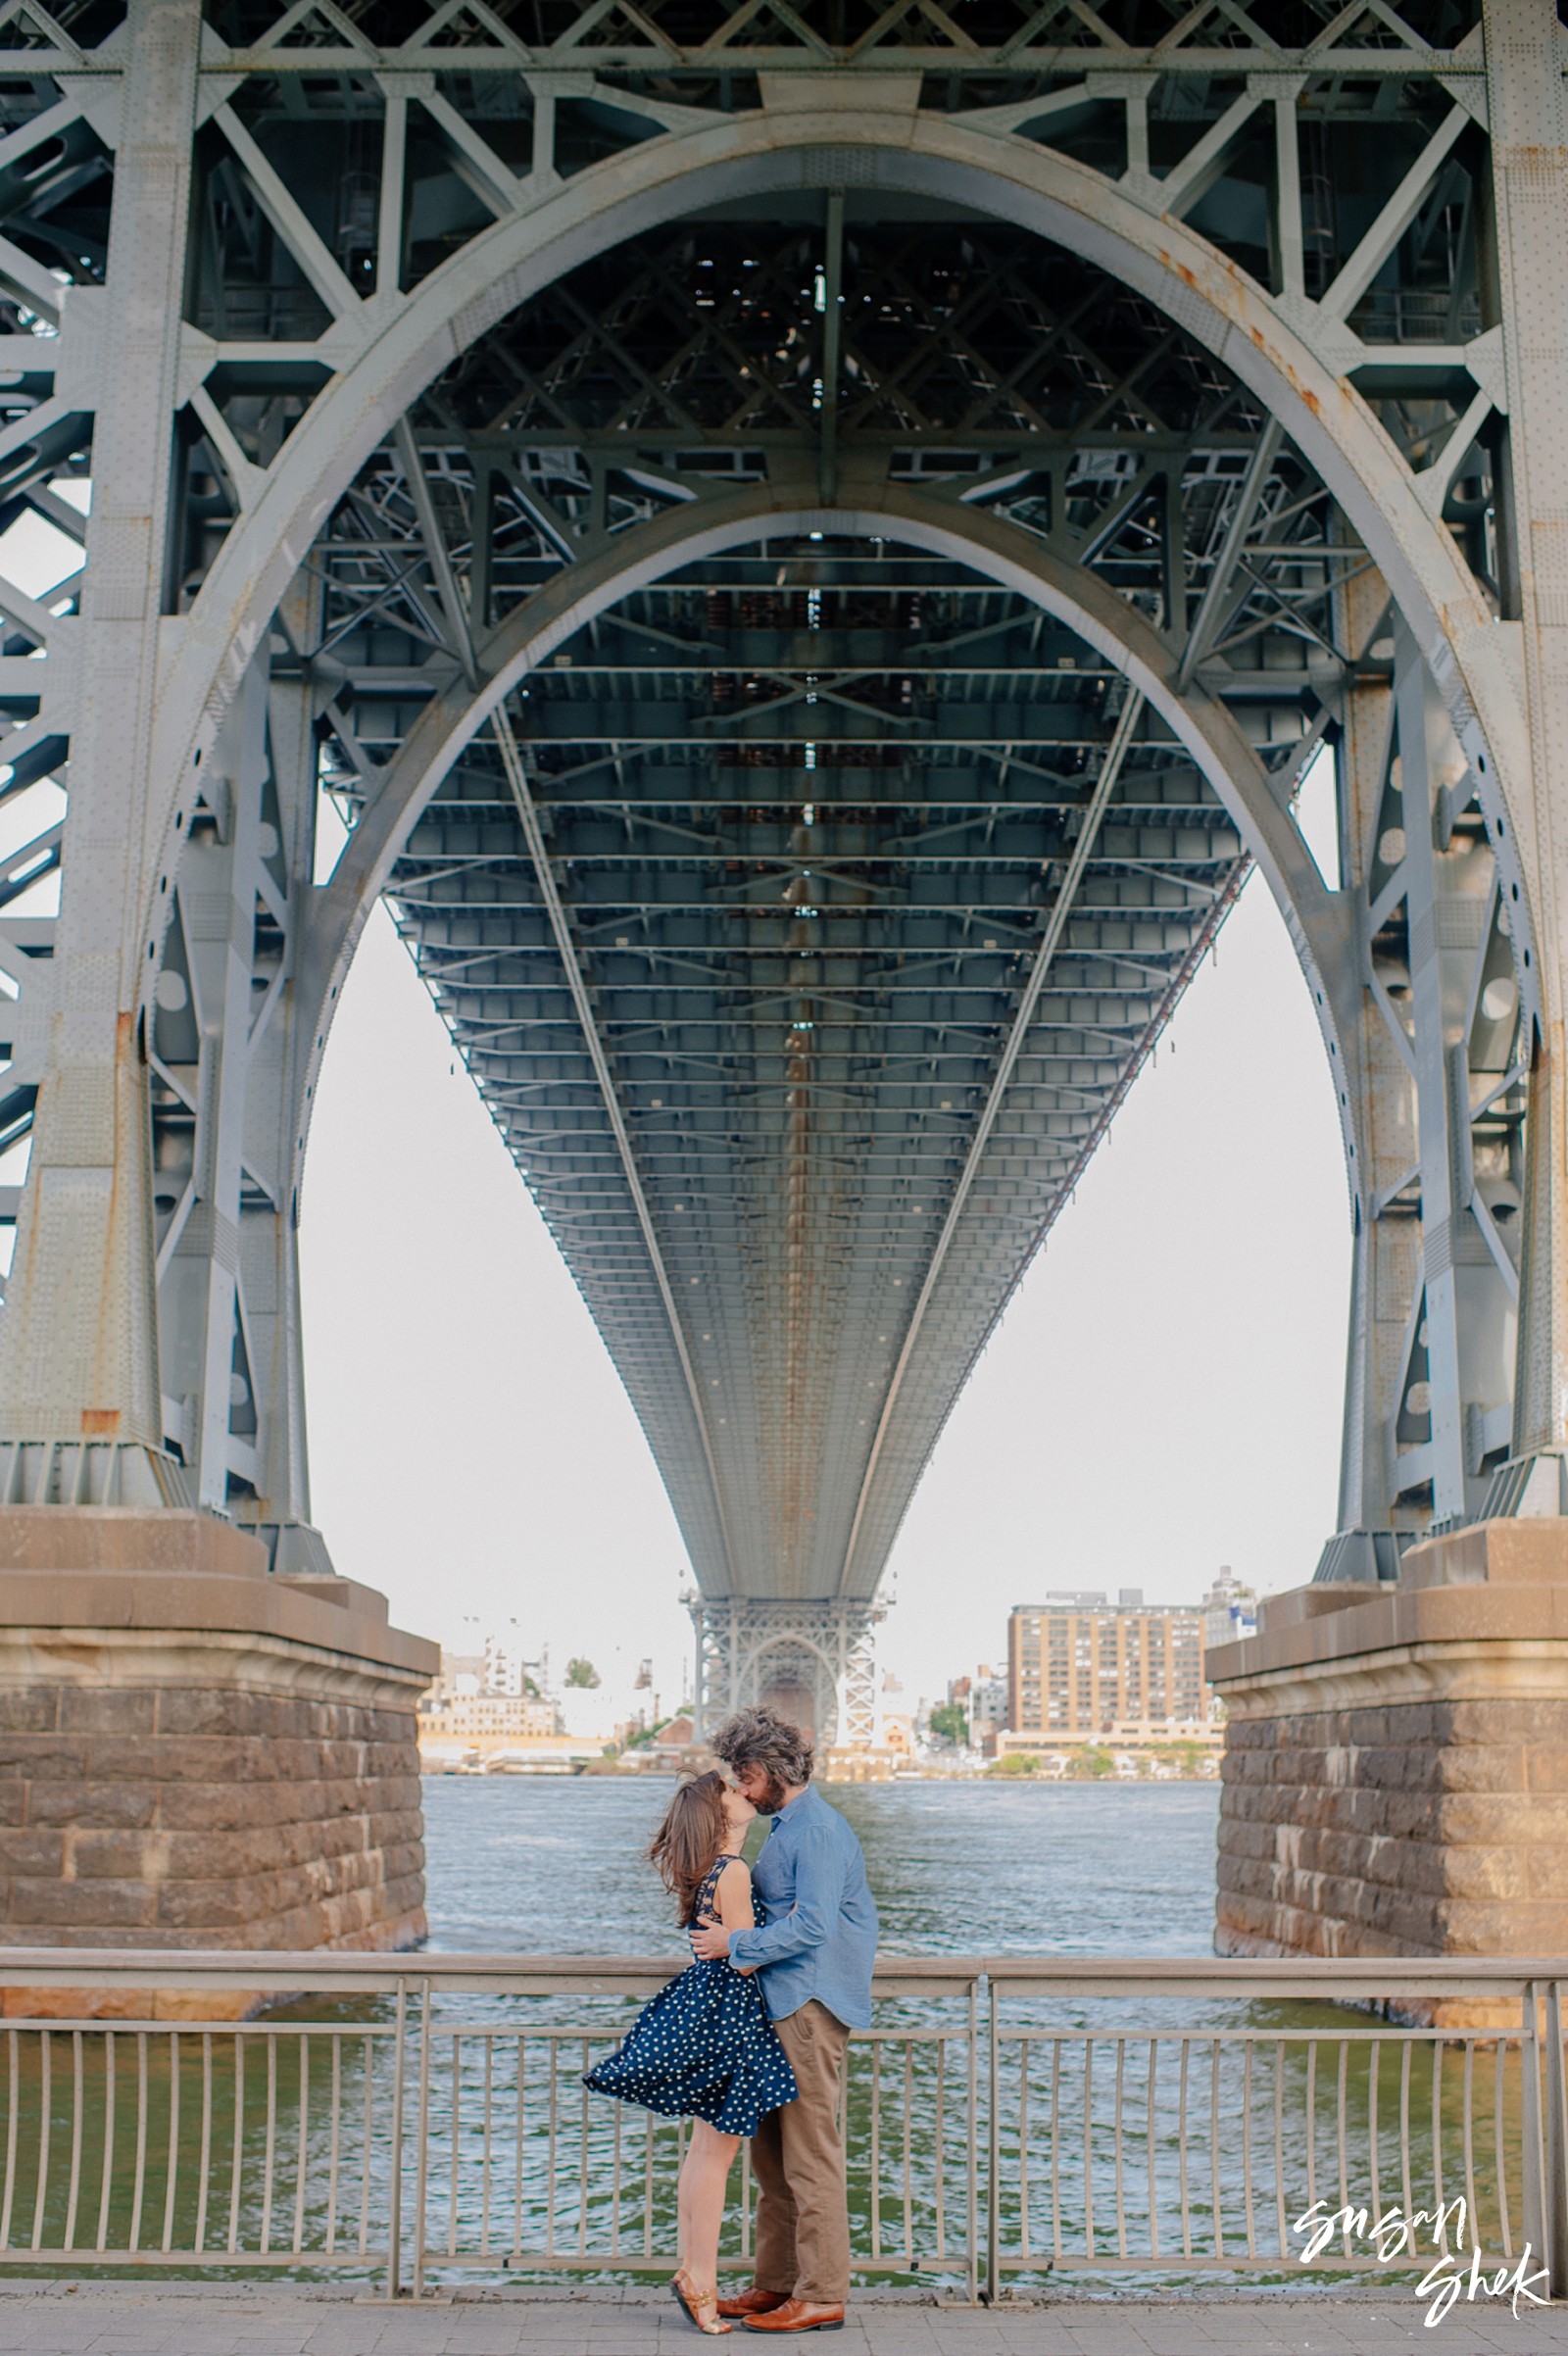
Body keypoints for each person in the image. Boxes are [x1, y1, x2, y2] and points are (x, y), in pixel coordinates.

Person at [582, 1769, 797, 2336]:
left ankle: (696, 2272)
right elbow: (746, 1955)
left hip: (706, 2007)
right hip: (729, 2015)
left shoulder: (709, 1872)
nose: (742, 1793)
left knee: (705, 2152)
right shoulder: (735, 1870)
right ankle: (699, 2277)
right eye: (731, 1791)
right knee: (717, 2154)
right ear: (720, 1814)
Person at [690, 1706, 878, 2336]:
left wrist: (734, 1947)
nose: (740, 1791)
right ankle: (776, 2285)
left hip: (809, 2007)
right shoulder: (789, 1828)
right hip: (781, 2004)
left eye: (742, 1777)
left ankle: (821, 2293)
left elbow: (816, 1925)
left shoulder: (817, 1831)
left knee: (810, 2158)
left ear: (765, 1770)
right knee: (772, 2161)